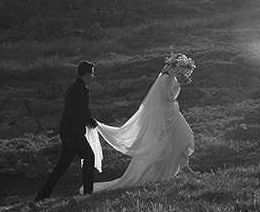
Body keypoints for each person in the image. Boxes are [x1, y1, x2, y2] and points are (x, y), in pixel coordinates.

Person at [85, 52, 196, 193]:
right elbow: (167, 97)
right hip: (166, 116)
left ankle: (186, 170)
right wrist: (179, 83)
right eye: (182, 72)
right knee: (166, 143)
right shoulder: (167, 79)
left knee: (180, 138)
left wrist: (178, 82)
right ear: (177, 70)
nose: (184, 75)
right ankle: (159, 173)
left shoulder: (169, 77)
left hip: (172, 114)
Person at [34, 60, 101, 201]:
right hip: (74, 132)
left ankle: (42, 196)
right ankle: (88, 193)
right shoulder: (83, 89)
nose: (93, 77)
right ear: (87, 74)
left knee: (63, 165)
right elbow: (83, 110)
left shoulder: (73, 87)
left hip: (67, 130)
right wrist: (92, 122)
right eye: (92, 74)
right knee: (89, 157)